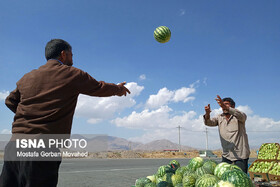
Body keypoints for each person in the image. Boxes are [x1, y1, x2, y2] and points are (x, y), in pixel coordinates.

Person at [0, 39, 131, 187]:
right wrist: (118, 89)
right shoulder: (71, 74)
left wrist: (30, 115)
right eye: (71, 55)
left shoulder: (27, 77)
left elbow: (10, 101)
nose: (73, 60)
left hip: (14, 146)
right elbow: (98, 87)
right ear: (63, 54)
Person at [203, 95, 250, 173]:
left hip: (240, 156)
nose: (223, 106)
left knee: (240, 180)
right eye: (222, 105)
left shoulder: (239, 117)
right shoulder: (219, 117)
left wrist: (226, 108)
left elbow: (242, 116)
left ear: (233, 106)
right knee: (224, 179)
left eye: (226, 104)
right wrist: (207, 114)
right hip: (226, 155)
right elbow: (208, 123)